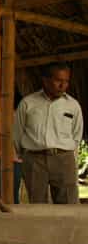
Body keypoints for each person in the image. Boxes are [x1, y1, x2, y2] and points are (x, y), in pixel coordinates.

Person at [13, 62, 83, 204]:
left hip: (64, 159)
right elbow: (18, 134)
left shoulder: (73, 105)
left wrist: (65, 152)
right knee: (36, 205)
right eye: (58, 80)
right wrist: (27, 156)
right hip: (34, 160)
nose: (63, 86)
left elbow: (77, 134)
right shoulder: (28, 103)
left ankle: (66, 228)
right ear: (45, 80)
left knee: (68, 205)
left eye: (66, 81)